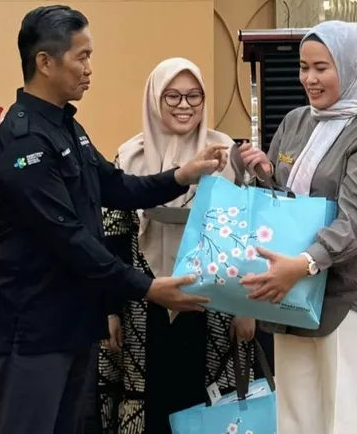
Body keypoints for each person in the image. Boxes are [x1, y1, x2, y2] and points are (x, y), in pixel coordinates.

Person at [0, 5, 227, 434]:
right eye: (82, 57)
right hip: (31, 330)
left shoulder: (67, 127)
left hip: (71, 325)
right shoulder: (24, 141)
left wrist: (182, 176)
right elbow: (67, 237)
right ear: (45, 62)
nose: (90, 69)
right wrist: (147, 288)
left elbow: (116, 186)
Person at [238, 21, 357, 434]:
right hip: (292, 293)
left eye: (322, 68)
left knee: (348, 418)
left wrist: (304, 263)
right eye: (303, 67)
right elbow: (284, 203)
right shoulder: (297, 122)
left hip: (346, 297)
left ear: (352, 67)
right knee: (297, 416)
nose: (309, 79)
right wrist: (263, 175)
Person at [97, 58, 256, 434]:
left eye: (193, 96)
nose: (184, 105)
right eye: (172, 96)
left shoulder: (226, 153)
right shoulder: (129, 156)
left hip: (213, 302)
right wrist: (110, 310)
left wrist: (246, 308)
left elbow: (246, 237)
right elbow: (114, 236)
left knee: (206, 402)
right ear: (155, 100)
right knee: (150, 401)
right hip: (143, 300)